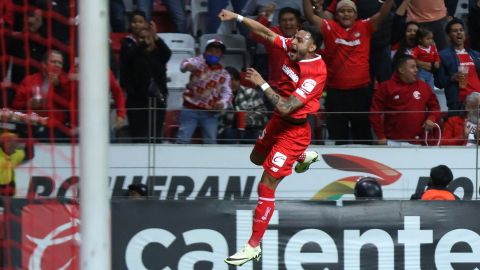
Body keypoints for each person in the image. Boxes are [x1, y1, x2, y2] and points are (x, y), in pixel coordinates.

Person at [219, 9, 326, 266]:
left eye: (299, 39)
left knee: (266, 185)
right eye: (295, 37)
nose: (292, 40)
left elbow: (288, 106)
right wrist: (238, 18)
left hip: (294, 131)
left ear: (311, 47)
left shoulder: (315, 73)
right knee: (256, 158)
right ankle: (302, 158)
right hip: (279, 122)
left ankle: (252, 246)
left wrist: (262, 83)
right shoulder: (295, 45)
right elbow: (266, 32)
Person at [303, 0, 394, 145]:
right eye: (342, 11)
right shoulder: (329, 27)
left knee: (363, 135)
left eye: (349, 11)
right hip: (336, 93)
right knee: (338, 136)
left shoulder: (365, 26)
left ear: (356, 14)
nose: (346, 14)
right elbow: (310, 15)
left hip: (361, 92)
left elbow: (383, 13)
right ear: (336, 15)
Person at [370, 55, 441, 145]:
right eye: (412, 67)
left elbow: (435, 106)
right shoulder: (386, 87)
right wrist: (380, 136)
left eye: (416, 67)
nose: (416, 70)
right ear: (401, 70)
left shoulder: (423, 86)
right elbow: (375, 113)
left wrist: (432, 118)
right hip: (392, 142)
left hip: (418, 142)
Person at [176, 39, 232, 144]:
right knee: (182, 140)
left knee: (210, 142)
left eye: (217, 52)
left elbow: (227, 94)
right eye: (210, 50)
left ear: (221, 55)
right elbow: (184, 63)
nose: (213, 54)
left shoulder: (224, 74)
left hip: (210, 113)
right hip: (190, 109)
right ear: (205, 52)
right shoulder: (198, 62)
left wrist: (222, 103)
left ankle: (209, 161)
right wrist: (187, 66)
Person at [10, 50, 74, 142]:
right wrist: (28, 104)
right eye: (53, 61)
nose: (57, 65)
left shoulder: (67, 82)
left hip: (54, 128)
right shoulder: (29, 80)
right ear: (44, 64)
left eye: (59, 63)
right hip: (30, 124)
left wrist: (59, 86)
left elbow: (71, 105)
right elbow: (15, 105)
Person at [121, 25, 171, 143]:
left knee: (155, 136)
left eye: (148, 38)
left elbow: (167, 53)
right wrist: (144, 44)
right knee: (139, 137)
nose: (145, 40)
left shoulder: (159, 54)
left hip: (158, 99)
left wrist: (156, 37)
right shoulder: (132, 54)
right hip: (137, 101)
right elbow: (129, 59)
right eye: (141, 38)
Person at [437, 18, 480, 116]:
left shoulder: (476, 55)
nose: (459, 33)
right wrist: (452, 78)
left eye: (461, 30)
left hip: (478, 102)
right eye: (455, 31)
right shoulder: (443, 56)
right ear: (448, 36)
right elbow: (439, 82)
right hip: (459, 104)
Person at [218, 66, 268, 144]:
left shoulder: (250, 92)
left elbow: (263, 114)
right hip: (229, 130)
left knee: (257, 135)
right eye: (229, 81)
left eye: (235, 80)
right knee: (227, 133)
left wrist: (247, 120)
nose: (232, 83)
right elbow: (217, 121)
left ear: (239, 80)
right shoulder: (219, 97)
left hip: (249, 129)